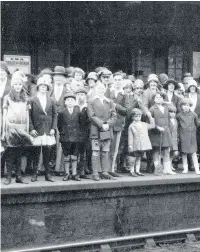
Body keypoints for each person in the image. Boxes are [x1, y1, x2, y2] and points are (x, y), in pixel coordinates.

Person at [2, 72, 31, 185]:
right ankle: (8, 177)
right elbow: (5, 115)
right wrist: (4, 131)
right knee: (10, 154)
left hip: (22, 129)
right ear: (12, 85)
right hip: (11, 129)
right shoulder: (7, 98)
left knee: (19, 154)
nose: (18, 86)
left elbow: (27, 115)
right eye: (16, 84)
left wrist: (27, 130)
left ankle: (19, 176)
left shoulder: (25, 99)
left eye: (20, 84)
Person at [87, 81, 117, 181]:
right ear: (95, 89)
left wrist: (107, 124)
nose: (101, 90)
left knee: (105, 151)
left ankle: (105, 171)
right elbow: (91, 116)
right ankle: (95, 172)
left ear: (105, 89)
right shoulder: (91, 101)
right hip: (96, 130)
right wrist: (101, 124)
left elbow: (114, 116)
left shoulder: (110, 102)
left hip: (107, 130)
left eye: (103, 88)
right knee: (95, 151)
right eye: (99, 88)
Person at [29, 77, 57, 182]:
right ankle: (35, 173)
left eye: (45, 86)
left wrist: (53, 128)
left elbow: (55, 115)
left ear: (47, 88)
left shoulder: (51, 100)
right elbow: (29, 116)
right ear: (38, 87)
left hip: (48, 129)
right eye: (41, 86)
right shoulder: (32, 100)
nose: (43, 88)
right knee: (36, 153)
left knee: (47, 153)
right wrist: (31, 129)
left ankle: (47, 174)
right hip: (37, 129)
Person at [57, 92, 82, 181]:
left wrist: (79, 134)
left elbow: (81, 124)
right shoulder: (61, 112)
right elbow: (59, 125)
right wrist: (63, 133)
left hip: (76, 137)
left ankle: (74, 174)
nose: (70, 102)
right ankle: (67, 173)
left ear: (75, 102)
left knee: (75, 155)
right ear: (65, 102)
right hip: (66, 137)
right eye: (68, 100)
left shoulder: (78, 112)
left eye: (72, 100)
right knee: (67, 156)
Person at [149, 91, 176, 175]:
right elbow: (149, 122)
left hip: (165, 132)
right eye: (156, 97)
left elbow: (173, 106)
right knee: (156, 150)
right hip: (155, 132)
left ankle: (167, 169)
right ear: (154, 99)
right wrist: (157, 127)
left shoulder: (166, 107)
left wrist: (165, 102)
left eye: (160, 97)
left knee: (166, 150)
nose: (159, 99)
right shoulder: (152, 109)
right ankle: (158, 169)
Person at [108, 72, 127, 177]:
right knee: (106, 147)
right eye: (115, 80)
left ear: (122, 81)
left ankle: (112, 168)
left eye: (119, 80)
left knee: (115, 148)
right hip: (107, 123)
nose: (117, 82)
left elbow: (126, 110)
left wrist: (116, 105)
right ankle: (105, 169)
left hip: (118, 124)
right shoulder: (108, 92)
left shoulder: (125, 95)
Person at [50, 66, 68, 175]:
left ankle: (59, 168)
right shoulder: (49, 90)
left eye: (60, 77)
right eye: (56, 76)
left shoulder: (67, 91)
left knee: (60, 143)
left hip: (62, 120)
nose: (58, 79)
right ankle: (43, 168)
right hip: (50, 120)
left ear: (64, 79)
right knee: (48, 144)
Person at [128, 108, 155, 177]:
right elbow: (130, 137)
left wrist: (150, 117)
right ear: (132, 117)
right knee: (133, 158)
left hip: (142, 145)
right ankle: (132, 171)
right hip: (135, 144)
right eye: (136, 116)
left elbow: (152, 126)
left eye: (139, 116)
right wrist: (130, 145)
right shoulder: (131, 126)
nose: (138, 117)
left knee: (139, 157)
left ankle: (137, 171)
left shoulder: (144, 124)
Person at [177, 98, 200, 175]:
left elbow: (197, 124)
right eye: (184, 105)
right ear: (181, 106)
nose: (186, 107)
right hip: (183, 136)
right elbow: (177, 126)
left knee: (193, 152)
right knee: (184, 153)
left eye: (187, 105)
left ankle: (197, 169)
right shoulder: (179, 115)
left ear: (190, 106)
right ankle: (185, 168)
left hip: (192, 136)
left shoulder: (194, 114)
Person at [76, 87, 91, 178]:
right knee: (75, 151)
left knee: (84, 151)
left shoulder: (88, 106)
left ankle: (82, 170)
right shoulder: (74, 106)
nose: (80, 97)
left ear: (85, 96)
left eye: (82, 95)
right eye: (78, 95)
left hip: (86, 132)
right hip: (75, 132)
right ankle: (74, 171)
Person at [168, 106, 179, 170]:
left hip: (174, 139)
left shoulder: (175, 120)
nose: (172, 114)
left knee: (174, 153)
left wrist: (177, 137)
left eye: (174, 112)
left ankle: (170, 163)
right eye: (171, 112)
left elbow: (176, 130)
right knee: (168, 152)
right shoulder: (167, 120)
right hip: (169, 139)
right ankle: (167, 165)